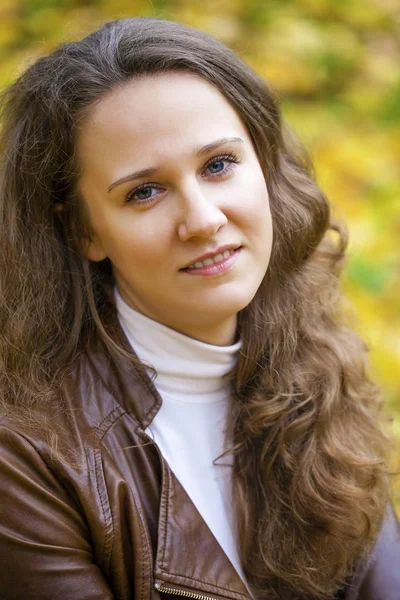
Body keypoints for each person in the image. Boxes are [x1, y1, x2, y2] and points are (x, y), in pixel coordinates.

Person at [0, 16, 398, 600]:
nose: (205, 219)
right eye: (144, 192)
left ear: (261, 165)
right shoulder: (26, 457)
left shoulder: (314, 354)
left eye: (218, 165)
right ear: (86, 231)